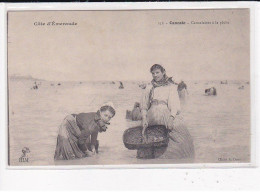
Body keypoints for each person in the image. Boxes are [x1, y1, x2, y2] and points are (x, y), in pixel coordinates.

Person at [139, 64, 194, 159]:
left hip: (165, 114)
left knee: (179, 137)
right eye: (153, 73)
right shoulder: (149, 87)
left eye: (157, 72)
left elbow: (175, 105)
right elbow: (144, 106)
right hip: (151, 115)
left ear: (163, 72)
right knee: (147, 139)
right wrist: (144, 118)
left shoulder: (171, 87)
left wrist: (171, 118)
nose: (155, 75)